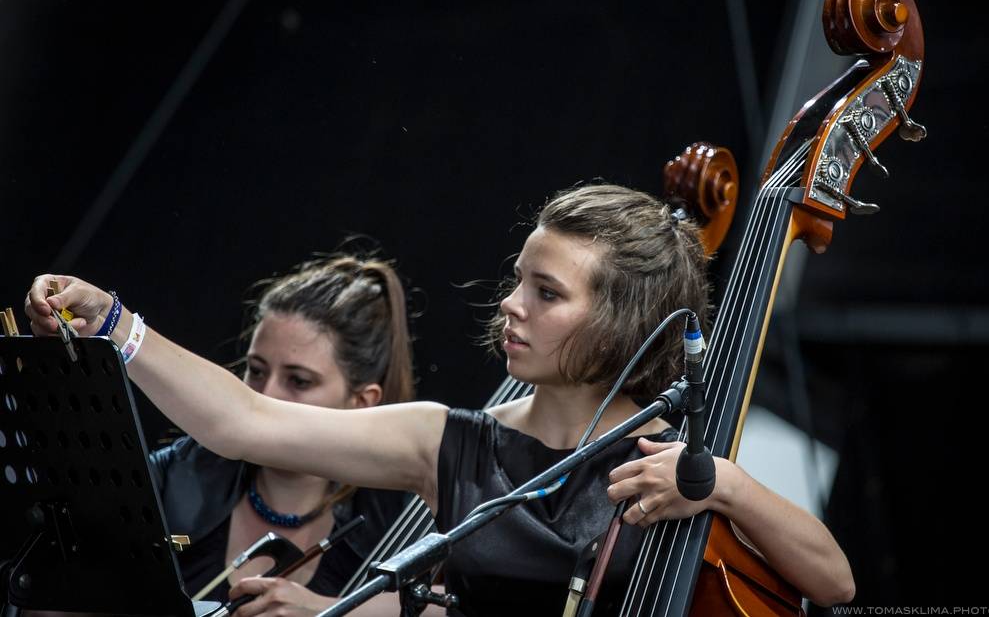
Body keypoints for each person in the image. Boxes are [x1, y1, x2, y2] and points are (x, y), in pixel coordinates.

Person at [27, 184, 855, 615]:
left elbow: (835, 582)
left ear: (620, 321)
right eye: (519, 280)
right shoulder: (449, 441)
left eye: (546, 292)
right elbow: (243, 422)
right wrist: (117, 325)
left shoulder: (670, 463)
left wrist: (725, 485)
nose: (511, 305)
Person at [146, 255, 415, 613]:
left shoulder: (398, 518)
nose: (265, 395)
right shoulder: (176, 475)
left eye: (299, 381)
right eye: (256, 371)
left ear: (362, 402)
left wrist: (325, 609)